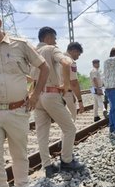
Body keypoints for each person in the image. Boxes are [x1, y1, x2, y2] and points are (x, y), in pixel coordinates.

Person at [0, 3, 50, 187]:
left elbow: (44, 67)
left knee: (19, 153)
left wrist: (36, 95)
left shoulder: (20, 45)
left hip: (17, 110)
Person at [31, 26, 85, 178]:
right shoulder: (51, 49)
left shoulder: (33, 52)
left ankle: (48, 167)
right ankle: (66, 161)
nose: (55, 42)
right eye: (54, 38)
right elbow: (66, 63)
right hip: (51, 94)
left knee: (42, 134)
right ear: (48, 38)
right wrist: (66, 85)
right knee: (70, 129)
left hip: (38, 95)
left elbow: (28, 76)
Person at [63, 41, 84, 122]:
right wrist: (80, 101)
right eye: (78, 54)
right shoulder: (70, 62)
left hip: (56, 93)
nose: (78, 57)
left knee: (63, 122)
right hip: (67, 94)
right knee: (70, 122)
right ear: (75, 51)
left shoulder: (58, 58)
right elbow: (74, 83)